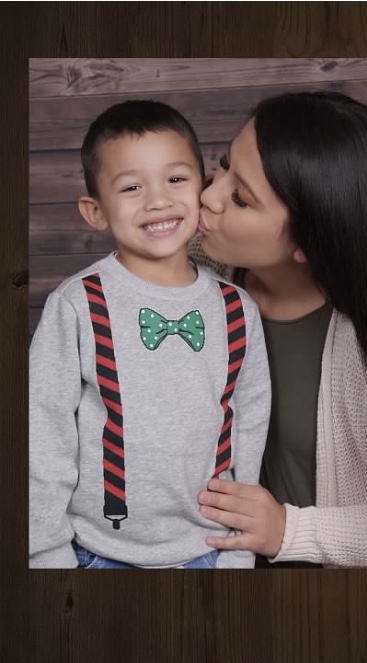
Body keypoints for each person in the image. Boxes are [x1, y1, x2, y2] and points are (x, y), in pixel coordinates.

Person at [29, 100, 271, 569]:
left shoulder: (237, 309)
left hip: (210, 550)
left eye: (176, 179)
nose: (157, 200)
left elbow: (250, 422)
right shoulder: (78, 304)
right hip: (96, 552)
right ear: (95, 211)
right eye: (132, 187)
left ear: (202, 188)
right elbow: (43, 433)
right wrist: (47, 551)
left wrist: (239, 545)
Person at [191, 91, 367, 567]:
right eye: (223, 165)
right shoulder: (187, 271)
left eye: (239, 197)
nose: (206, 194)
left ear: (308, 243)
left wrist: (290, 530)